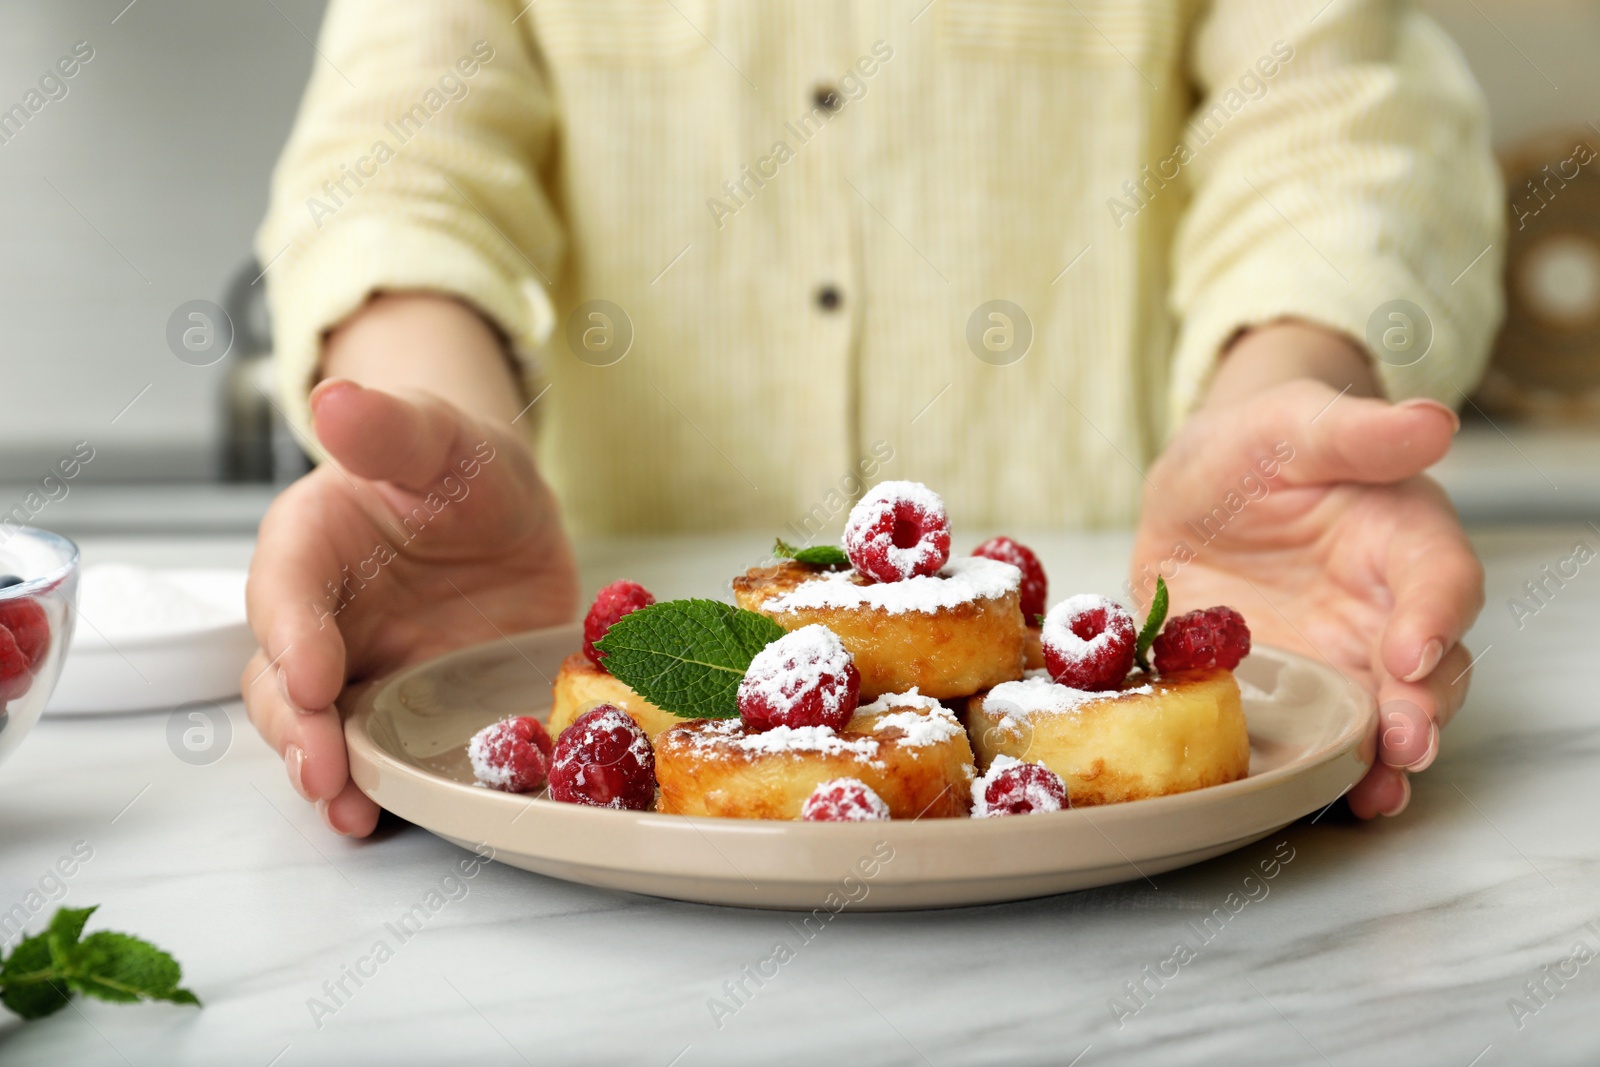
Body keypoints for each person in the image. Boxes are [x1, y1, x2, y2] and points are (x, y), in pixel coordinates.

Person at [244, 0, 1500, 836]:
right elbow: (398, 160)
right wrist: (433, 445)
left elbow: (1336, 125)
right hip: (582, 643)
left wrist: (1276, 411)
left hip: (1101, 647)